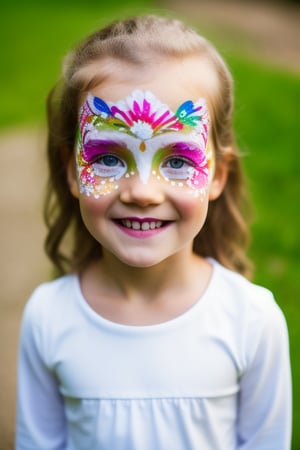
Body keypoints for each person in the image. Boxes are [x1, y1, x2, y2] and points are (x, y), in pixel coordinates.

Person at [15, 14, 292, 450]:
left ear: (218, 175)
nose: (142, 192)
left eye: (178, 161)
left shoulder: (253, 322)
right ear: (72, 171)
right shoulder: (48, 317)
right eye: (108, 157)